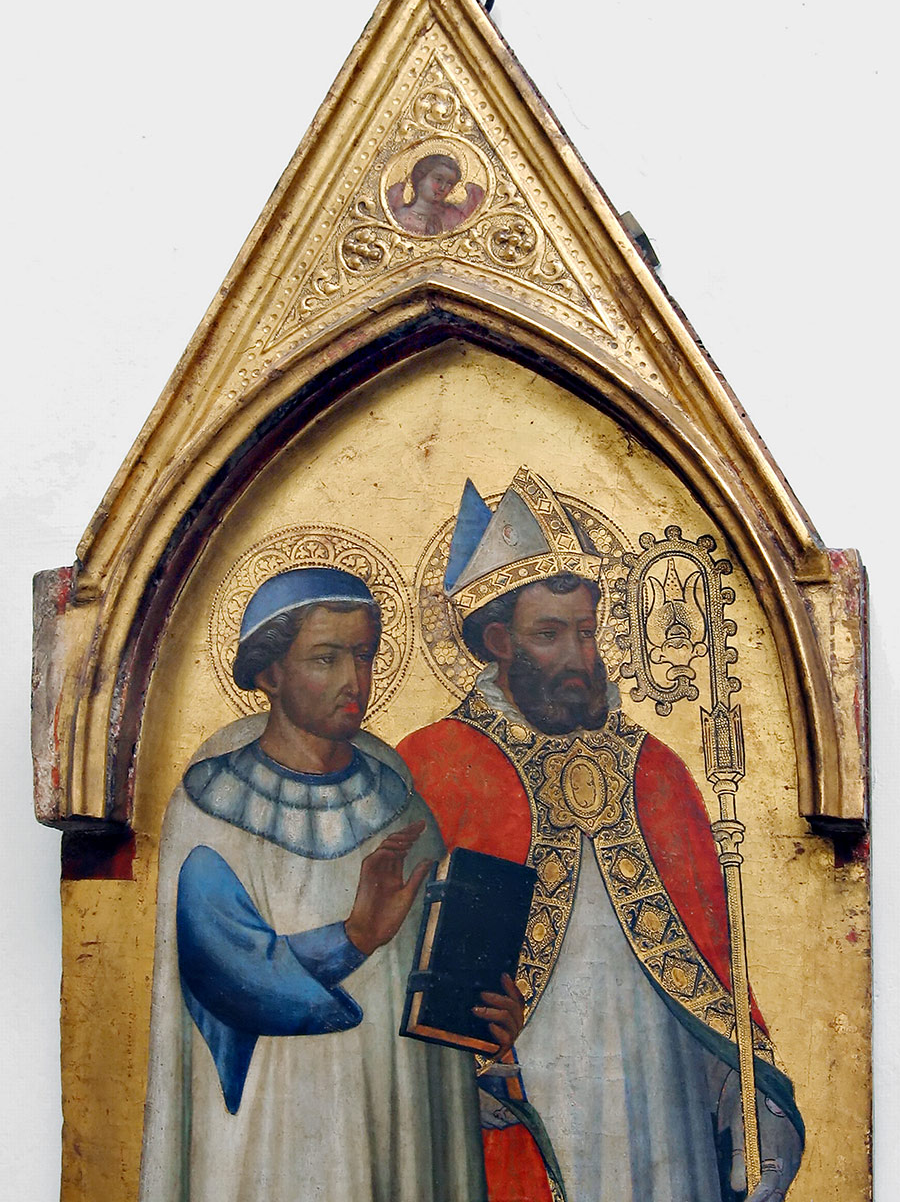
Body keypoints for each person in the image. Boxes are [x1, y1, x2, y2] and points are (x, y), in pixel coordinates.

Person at [398, 468, 804, 1202]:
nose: (579, 659)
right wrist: (458, 1071)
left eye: (585, 632)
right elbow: (396, 969)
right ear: (498, 640)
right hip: (521, 1105)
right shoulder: (436, 764)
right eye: (548, 635)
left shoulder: (655, 769)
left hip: (663, 1110)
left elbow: (710, 969)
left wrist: (747, 1097)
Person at [139, 565, 522, 1202]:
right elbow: (231, 980)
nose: (354, 681)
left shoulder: (405, 813)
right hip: (273, 1134)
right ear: (269, 673)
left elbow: (429, 1009)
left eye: (364, 655)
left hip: (389, 1128)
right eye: (326, 658)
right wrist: (354, 937)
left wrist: (485, 1034)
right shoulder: (209, 813)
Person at [387, 153, 484, 235]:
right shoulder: (399, 216)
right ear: (420, 177)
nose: (442, 188)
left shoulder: (455, 217)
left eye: (449, 184)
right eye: (438, 180)